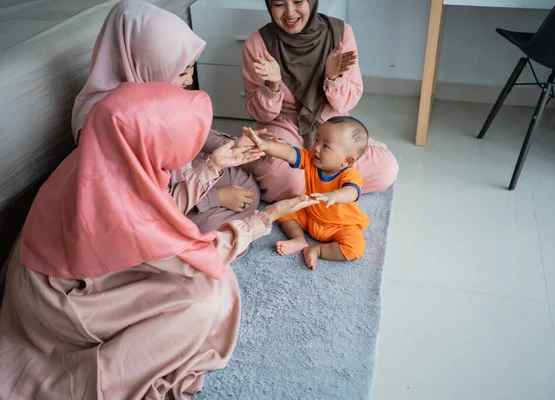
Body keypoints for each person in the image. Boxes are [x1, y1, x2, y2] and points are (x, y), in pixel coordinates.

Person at [0, 82, 318, 399]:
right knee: (208, 293)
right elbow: (193, 255)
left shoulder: (101, 154)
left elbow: (157, 210)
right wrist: (264, 219)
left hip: (45, 281)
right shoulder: (118, 204)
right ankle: (104, 376)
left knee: (206, 279)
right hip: (62, 305)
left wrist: (214, 166)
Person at [71, 0, 258, 232]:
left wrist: (231, 144)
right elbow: (143, 203)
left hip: (178, 179)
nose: (189, 81)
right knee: (203, 228)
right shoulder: (108, 121)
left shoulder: (152, 93)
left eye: (192, 68)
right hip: (153, 203)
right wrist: (216, 198)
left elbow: (191, 136)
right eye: (181, 72)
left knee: (248, 183)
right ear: (147, 65)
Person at [241, 0, 399, 203]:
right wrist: (272, 84)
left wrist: (333, 78)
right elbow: (259, 114)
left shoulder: (340, 33)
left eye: (298, 1)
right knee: (282, 179)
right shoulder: (257, 43)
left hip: (330, 121)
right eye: (279, 3)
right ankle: (329, 184)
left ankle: (309, 185)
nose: (290, 12)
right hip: (282, 122)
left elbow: (346, 104)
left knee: (386, 168)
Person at [243, 116, 370, 270]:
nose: (316, 147)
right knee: (283, 211)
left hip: (340, 226)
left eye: (326, 146)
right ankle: (298, 239)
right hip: (310, 216)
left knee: (356, 247)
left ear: (347, 161)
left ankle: (317, 250)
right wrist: (266, 145)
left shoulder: (349, 175)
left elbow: (351, 192)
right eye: (317, 139)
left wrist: (333, 196)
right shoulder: (311, 159)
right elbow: (290, 152)